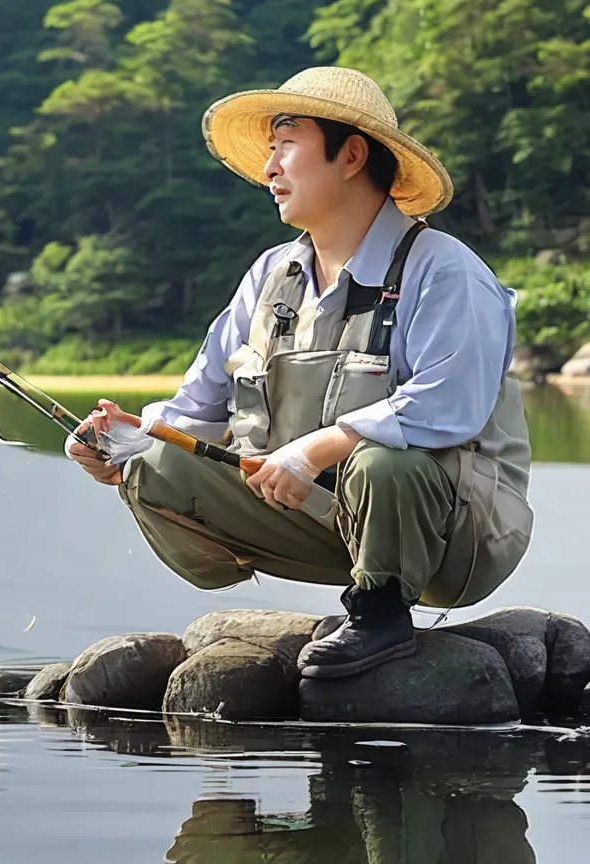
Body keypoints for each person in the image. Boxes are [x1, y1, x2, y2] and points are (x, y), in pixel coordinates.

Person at [65, 66, 534, 680]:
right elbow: (196, 404)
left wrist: (318, 446)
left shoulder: (445, 271)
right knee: (154, 460)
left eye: (286, 146)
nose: (269, 170)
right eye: (270, 151)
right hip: (323, 515)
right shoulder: (270, 276)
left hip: (456, 540)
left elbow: (450, 404)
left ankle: (380, 614)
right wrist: (121, 442)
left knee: (383, 458)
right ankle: (353, 590)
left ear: (352, 155)